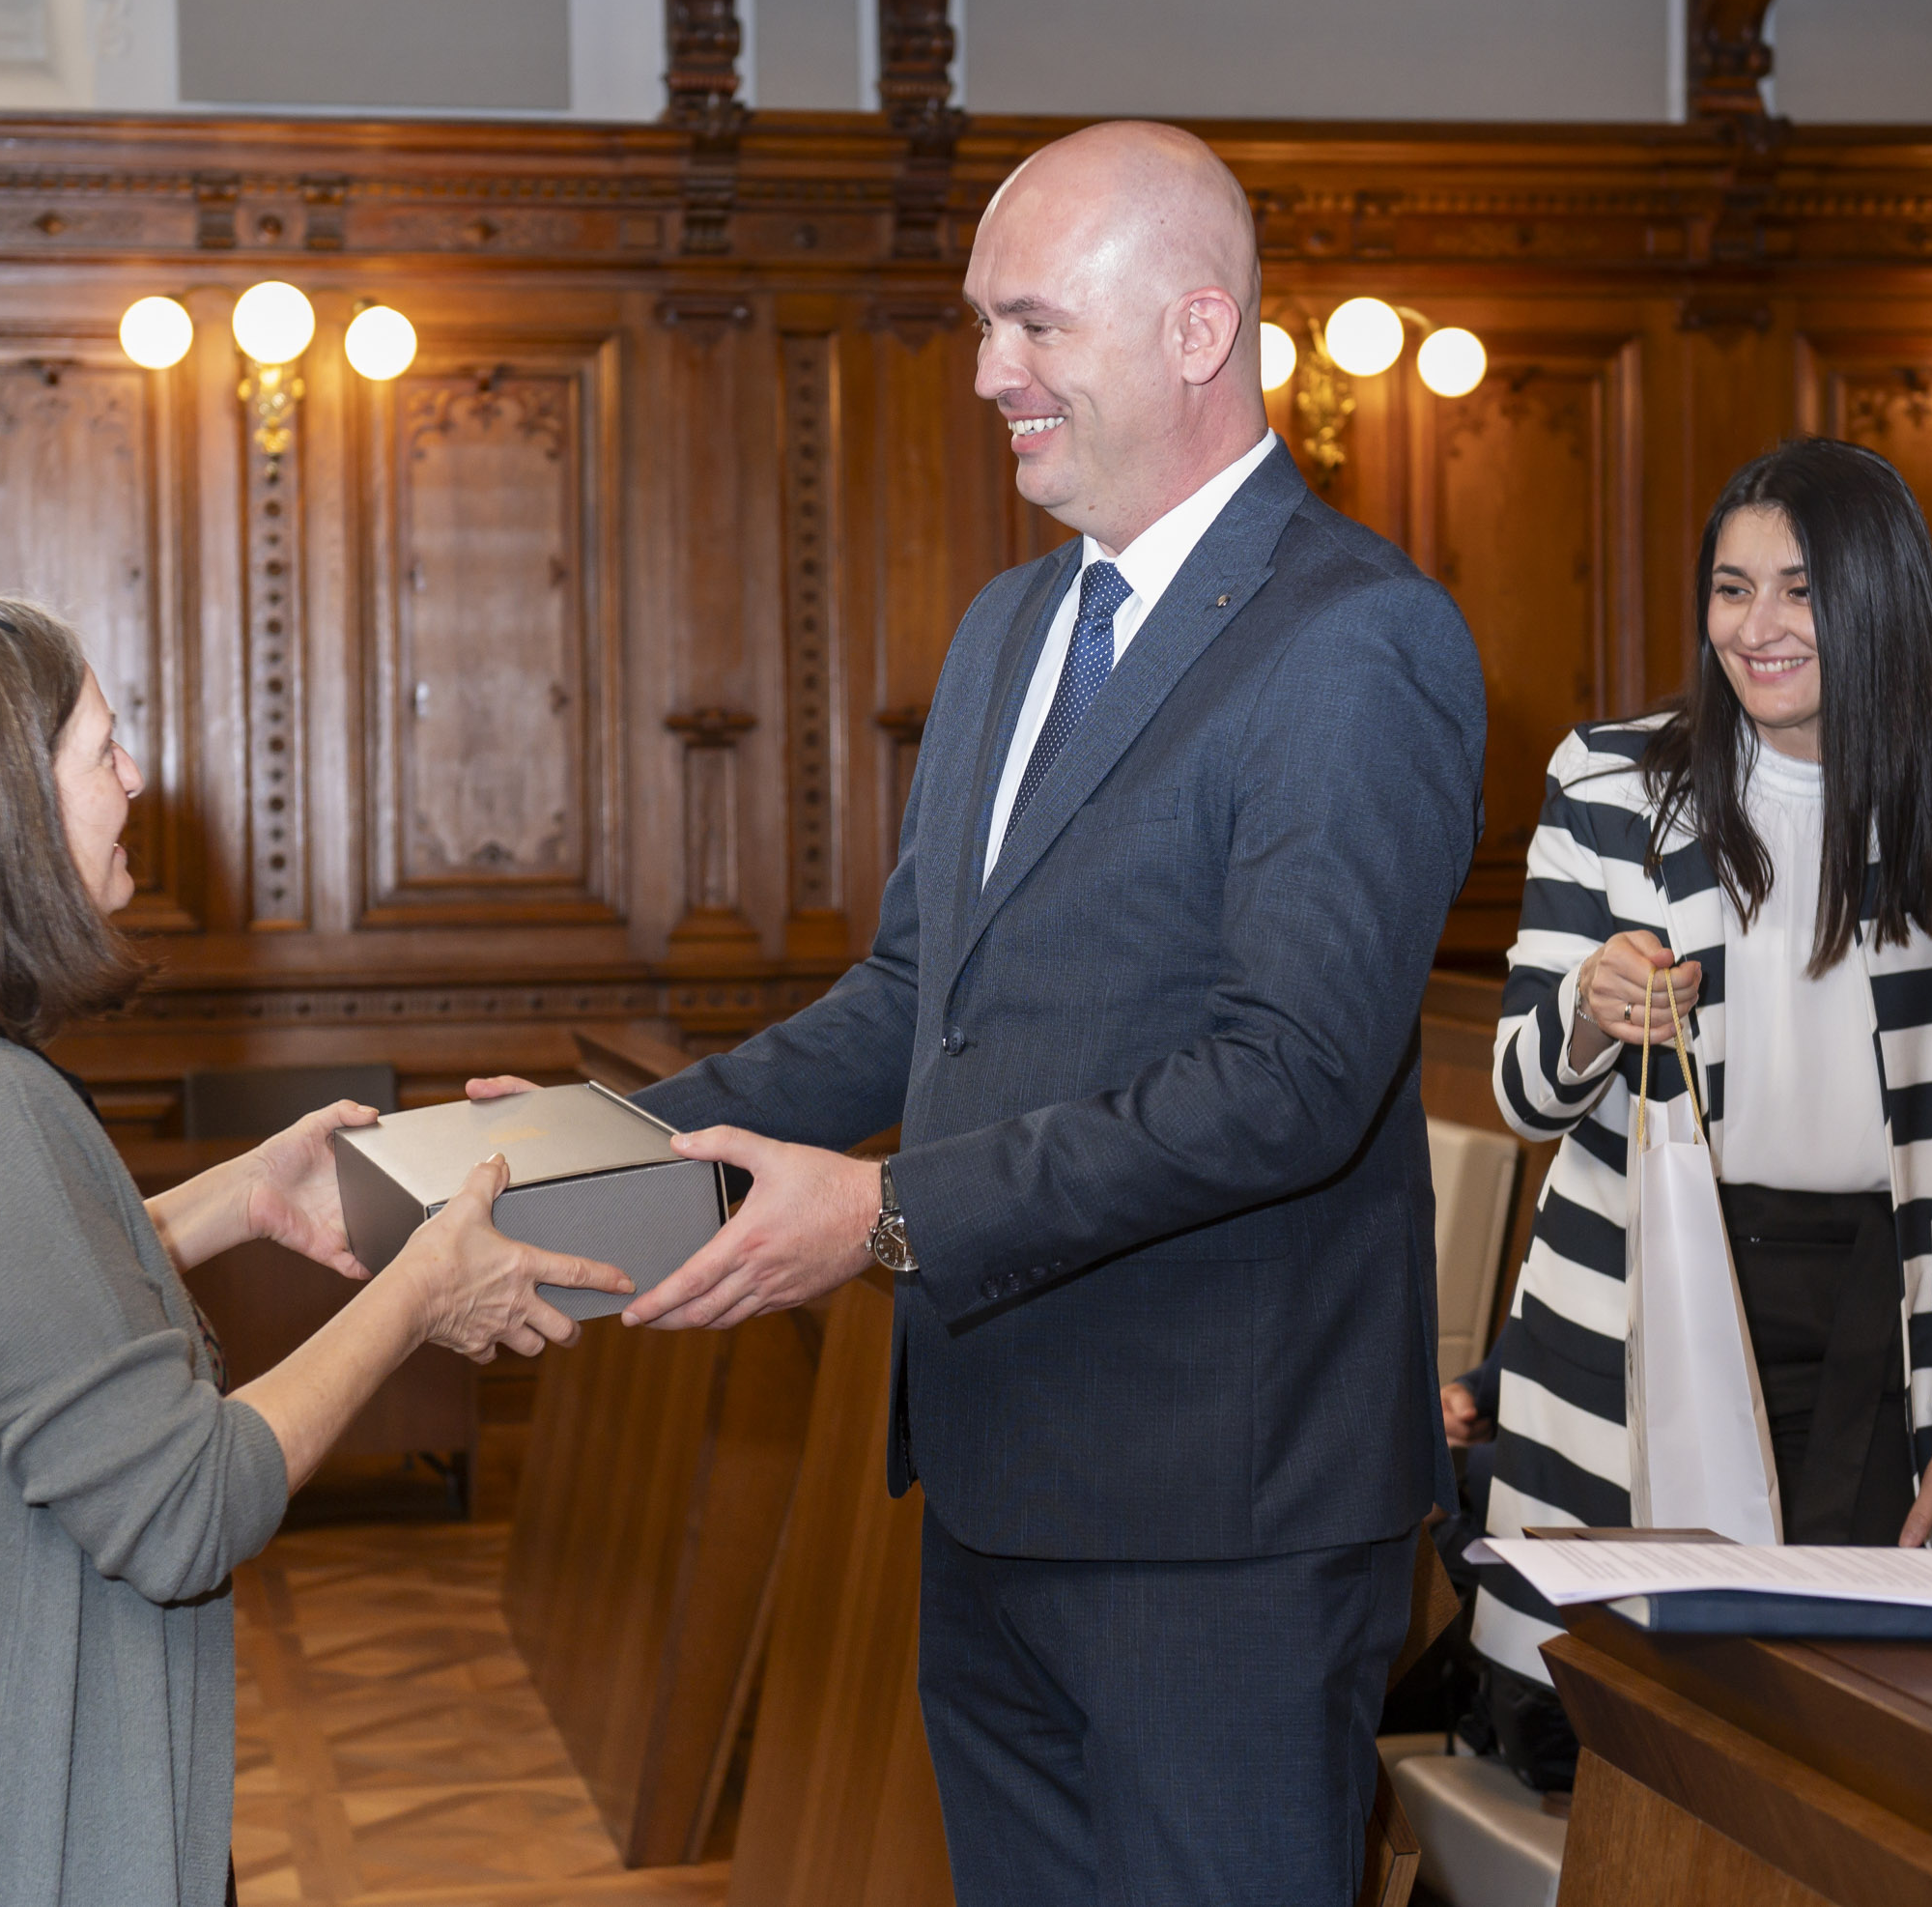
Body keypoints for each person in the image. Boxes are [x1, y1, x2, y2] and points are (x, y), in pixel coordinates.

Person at [481, 122, 1489, 1905]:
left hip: (1223, 1521)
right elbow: (906, 1002)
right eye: (979, 325)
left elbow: (1290, 1082)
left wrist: (880, 1213)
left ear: (1194, 332)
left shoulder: (1355, 637)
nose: (985, 373)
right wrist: (587, 1152)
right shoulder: (1007, 629)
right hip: (997, 1470)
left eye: (1032, 326)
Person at [0, 575, 629, 1907]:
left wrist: (227, 1200)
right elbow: (184, 1504)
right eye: (102, 744)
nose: (136, 773)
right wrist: (416, 1292)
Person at [1470, 437, 1932, 1772]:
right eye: (1730, 588)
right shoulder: (1611, 782)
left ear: (1877, 597)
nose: (1758, 628)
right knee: (1635, 1738)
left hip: (1882, 1316)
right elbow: (1517, 1094)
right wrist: (1583, 1006)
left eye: (1799, 589)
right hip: (1656, 1300)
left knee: (1876, 1746)